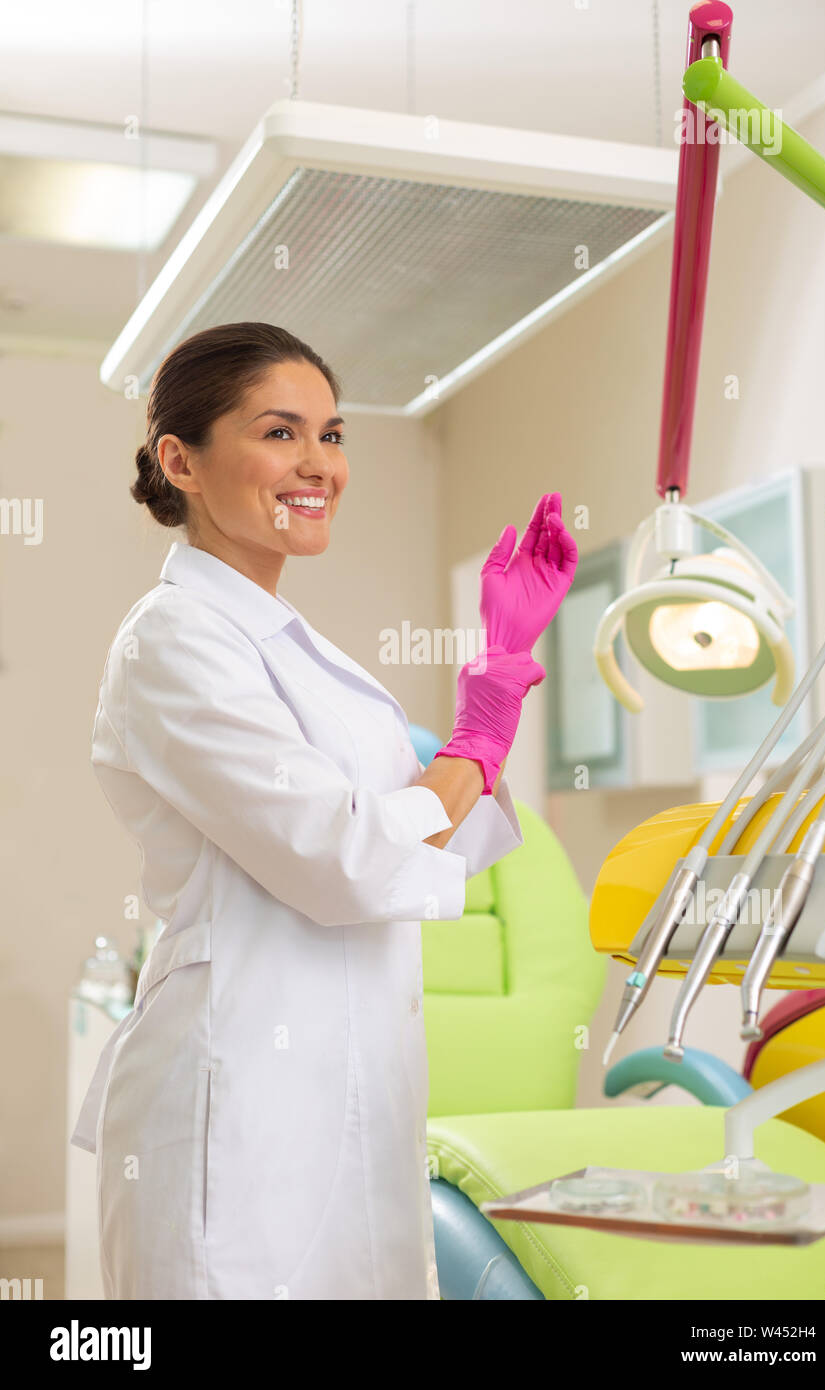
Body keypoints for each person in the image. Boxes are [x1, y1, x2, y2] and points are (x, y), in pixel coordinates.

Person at [70, 321, 577, 1300]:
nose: (318, 465)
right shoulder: (174, 640)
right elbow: (347, 859)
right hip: (235, 1122)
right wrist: (478, 735)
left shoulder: (312, 660)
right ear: (181, 459)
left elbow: (441, 850)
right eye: (280, 432)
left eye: (332, 435)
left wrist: (497, 678)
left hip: (353, 1105)